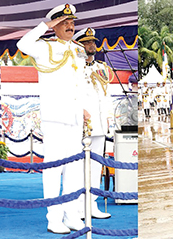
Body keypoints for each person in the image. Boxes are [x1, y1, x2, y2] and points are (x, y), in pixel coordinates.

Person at [16, 4, 87, 234]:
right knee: (54, 168)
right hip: (56, 116)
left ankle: (72, 214)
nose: (70, 26)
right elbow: (22, 45)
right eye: (64, 23)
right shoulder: (44, 47)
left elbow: (79, 84)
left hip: (75, 117)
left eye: (71, 23)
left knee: (74, 169)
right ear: (55, 25)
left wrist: (83, 109)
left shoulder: (78, 49)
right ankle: (53, 218)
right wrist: (44, 27)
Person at [72, 27, 112, 219]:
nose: (92, 45)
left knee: (96, 167)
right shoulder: (73, 67)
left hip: (99, 124)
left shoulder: (101, 68)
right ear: (78, 45)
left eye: (93, 42)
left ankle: (92, 205)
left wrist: (108, 117)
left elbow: (106, 96)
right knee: (78, 167)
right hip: (81, 124)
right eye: (87, 42)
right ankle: (78, 206)